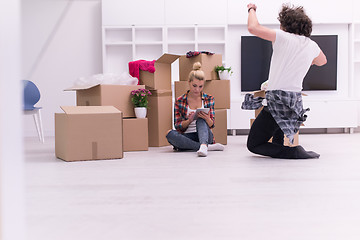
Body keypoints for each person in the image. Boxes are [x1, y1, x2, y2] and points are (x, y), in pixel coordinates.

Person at [242, 3, 327, 159]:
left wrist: (251, 9)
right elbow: (322, 61)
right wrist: (308, 60)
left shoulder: (283, 37)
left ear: (285, 25)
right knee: (278, 125)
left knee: (253, 144)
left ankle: (293, 151)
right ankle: (283, 151)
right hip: (294, 102)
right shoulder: (312, 45)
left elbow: (253, 27)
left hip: (277, 100)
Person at [166, 62, 225, 157]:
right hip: (188, 136)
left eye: (200, 86)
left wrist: (206, 118)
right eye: (194, 86)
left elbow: (212, 124)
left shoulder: (209, 99)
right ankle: (206, 147)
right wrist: (189, 120)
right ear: (189, 82)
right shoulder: (180, 101)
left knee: (200, 119)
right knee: (170, 134)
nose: (197, 89)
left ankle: (202, 144)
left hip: (205, 135)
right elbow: (177, 126)